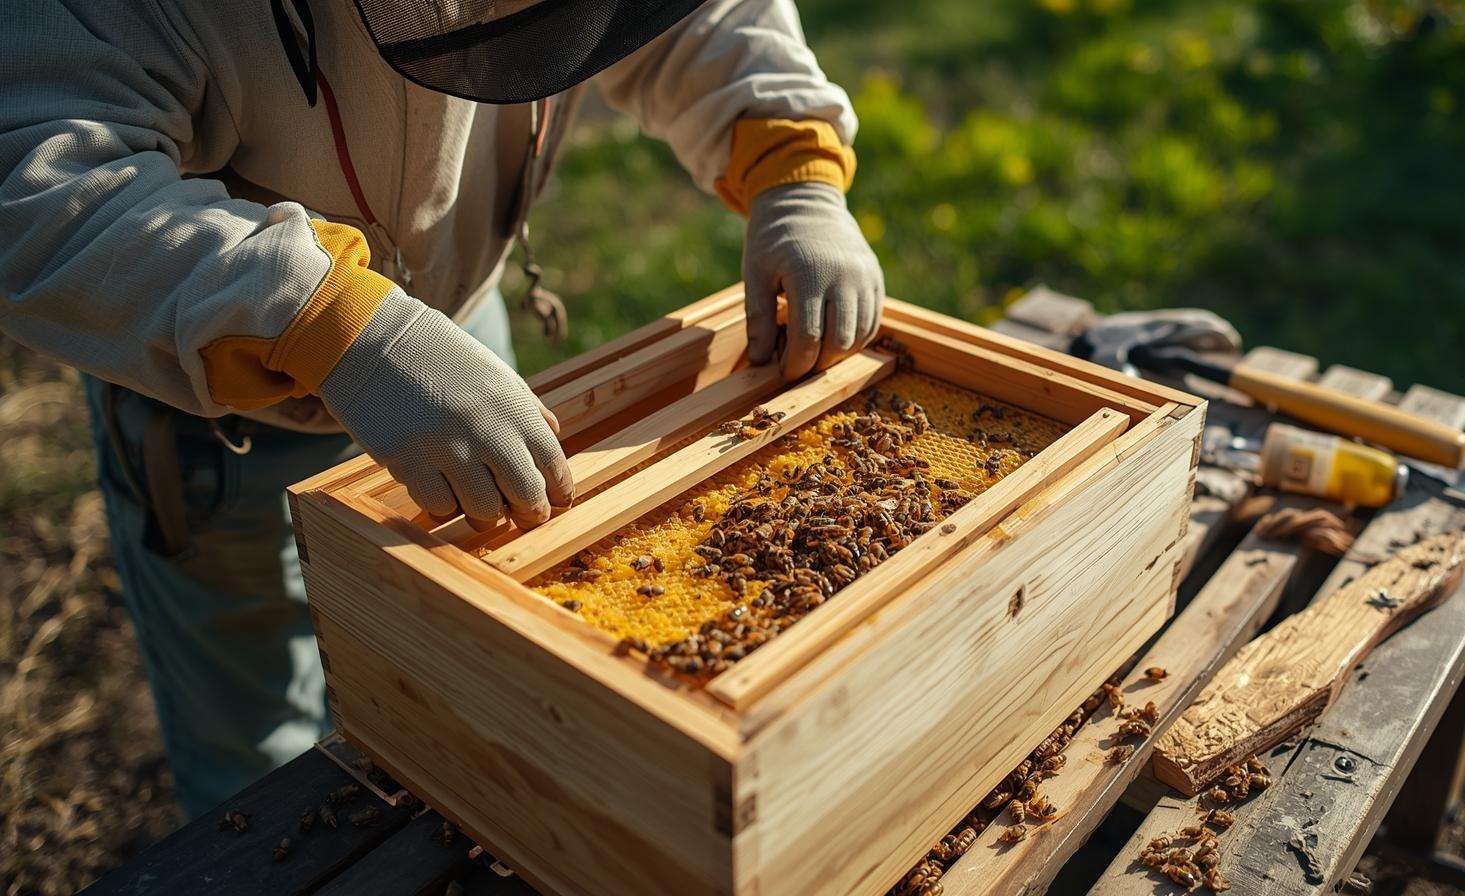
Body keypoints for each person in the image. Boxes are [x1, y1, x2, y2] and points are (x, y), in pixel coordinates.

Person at [0, 0, 884, 816]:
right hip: (221, 418)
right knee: (262, 756)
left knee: (477, 695)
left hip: (453, 336)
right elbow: (36, 175)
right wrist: (329, 325)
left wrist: (791, 163)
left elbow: (687, 14)